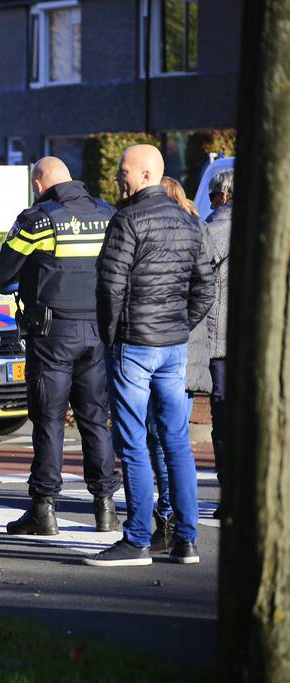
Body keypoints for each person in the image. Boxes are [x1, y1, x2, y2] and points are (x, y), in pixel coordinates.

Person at [88, 144, 214, 567]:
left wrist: (111, 335)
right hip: (172, 346)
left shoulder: (127, 219)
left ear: (145, 175)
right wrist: (181, 324)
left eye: (124, 171)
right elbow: (205, 287)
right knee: (176, 441)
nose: (118, 178)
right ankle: (186, 539)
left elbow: (110, 285)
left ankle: (138, 538)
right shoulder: (188, 220)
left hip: (134, 345)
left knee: (134, 443)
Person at [0, 156, 120, 535]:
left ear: (39, 184)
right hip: (97, 332)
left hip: (52, 335)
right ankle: (105, 507)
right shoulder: (107, 214)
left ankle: (44, 510)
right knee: (96, 419)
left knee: (49, 420)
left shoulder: (38, 219)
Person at [147, 176, 213, 551]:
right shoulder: (198, 230)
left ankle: (168, 517)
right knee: (174, 437)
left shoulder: (169, 233)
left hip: (167, 344)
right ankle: (177, 524)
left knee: (160, 437)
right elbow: (205, 290)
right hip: (189, 345)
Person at [203, 169, 232, 517]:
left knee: (223, 416)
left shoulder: (215, 229)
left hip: (222, 341)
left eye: (211, 196)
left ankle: (231, 495)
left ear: (222, 197)